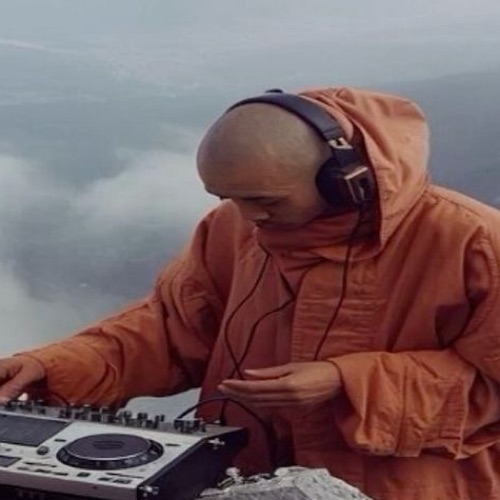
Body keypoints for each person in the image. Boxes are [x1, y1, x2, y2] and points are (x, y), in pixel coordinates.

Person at [1, 86, 500, 500]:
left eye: (266, 201)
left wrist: (347, 382)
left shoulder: (473, 242)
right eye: (229, 198)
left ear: (343, 181)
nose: (249, 217)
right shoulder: (232, 227)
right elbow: (171, 329)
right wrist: (55, 365)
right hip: (244, 478)